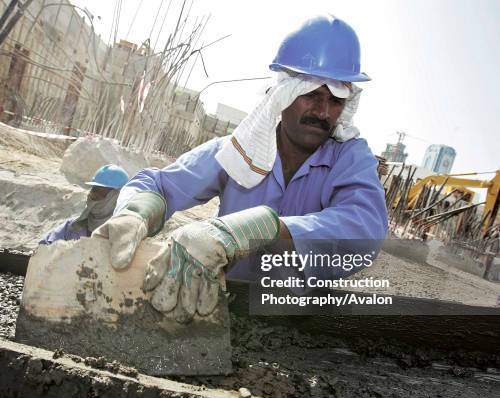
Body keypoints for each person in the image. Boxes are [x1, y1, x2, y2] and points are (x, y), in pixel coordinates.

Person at [95, 15, 389, 322]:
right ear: (284, 93)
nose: (323, 112)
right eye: (312, 94)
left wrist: (260, 228)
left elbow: (365, 227)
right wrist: (135, 213)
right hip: (219, 307)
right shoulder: (241, 150)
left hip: (296, 323)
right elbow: (160, 185)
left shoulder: (350, 157)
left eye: (335, 100)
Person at [40, 164, 128, 245]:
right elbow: (44, 248)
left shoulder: (124, 236)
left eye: (102, 193)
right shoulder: (72, 227)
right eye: (94, 191)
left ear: (117, 197)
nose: (94, 198)